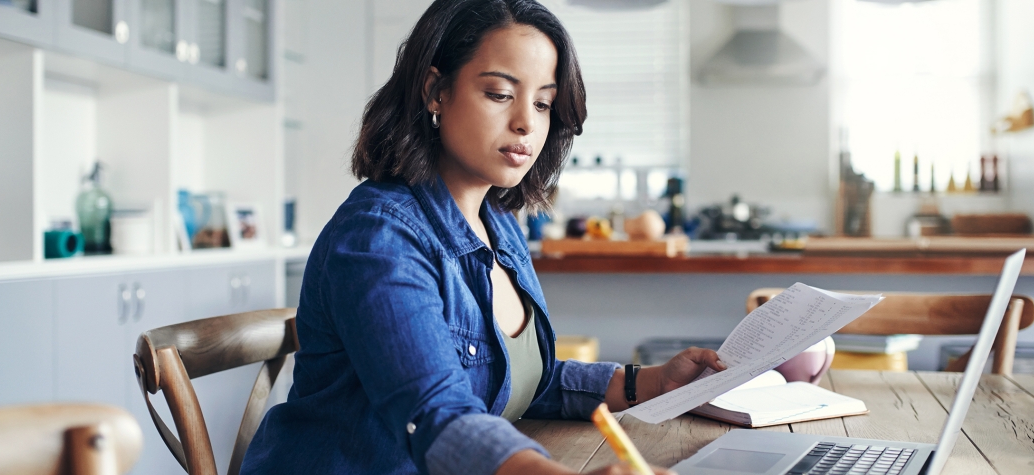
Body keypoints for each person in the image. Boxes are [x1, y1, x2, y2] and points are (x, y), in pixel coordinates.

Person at [239, 1, 725, 474]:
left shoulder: (501, 226)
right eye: (499, 94)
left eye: (543, 103)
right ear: (436, 90)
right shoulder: (379, 238)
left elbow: (521, 380)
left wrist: (654, 382)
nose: (526, 123)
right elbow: (437, 413)